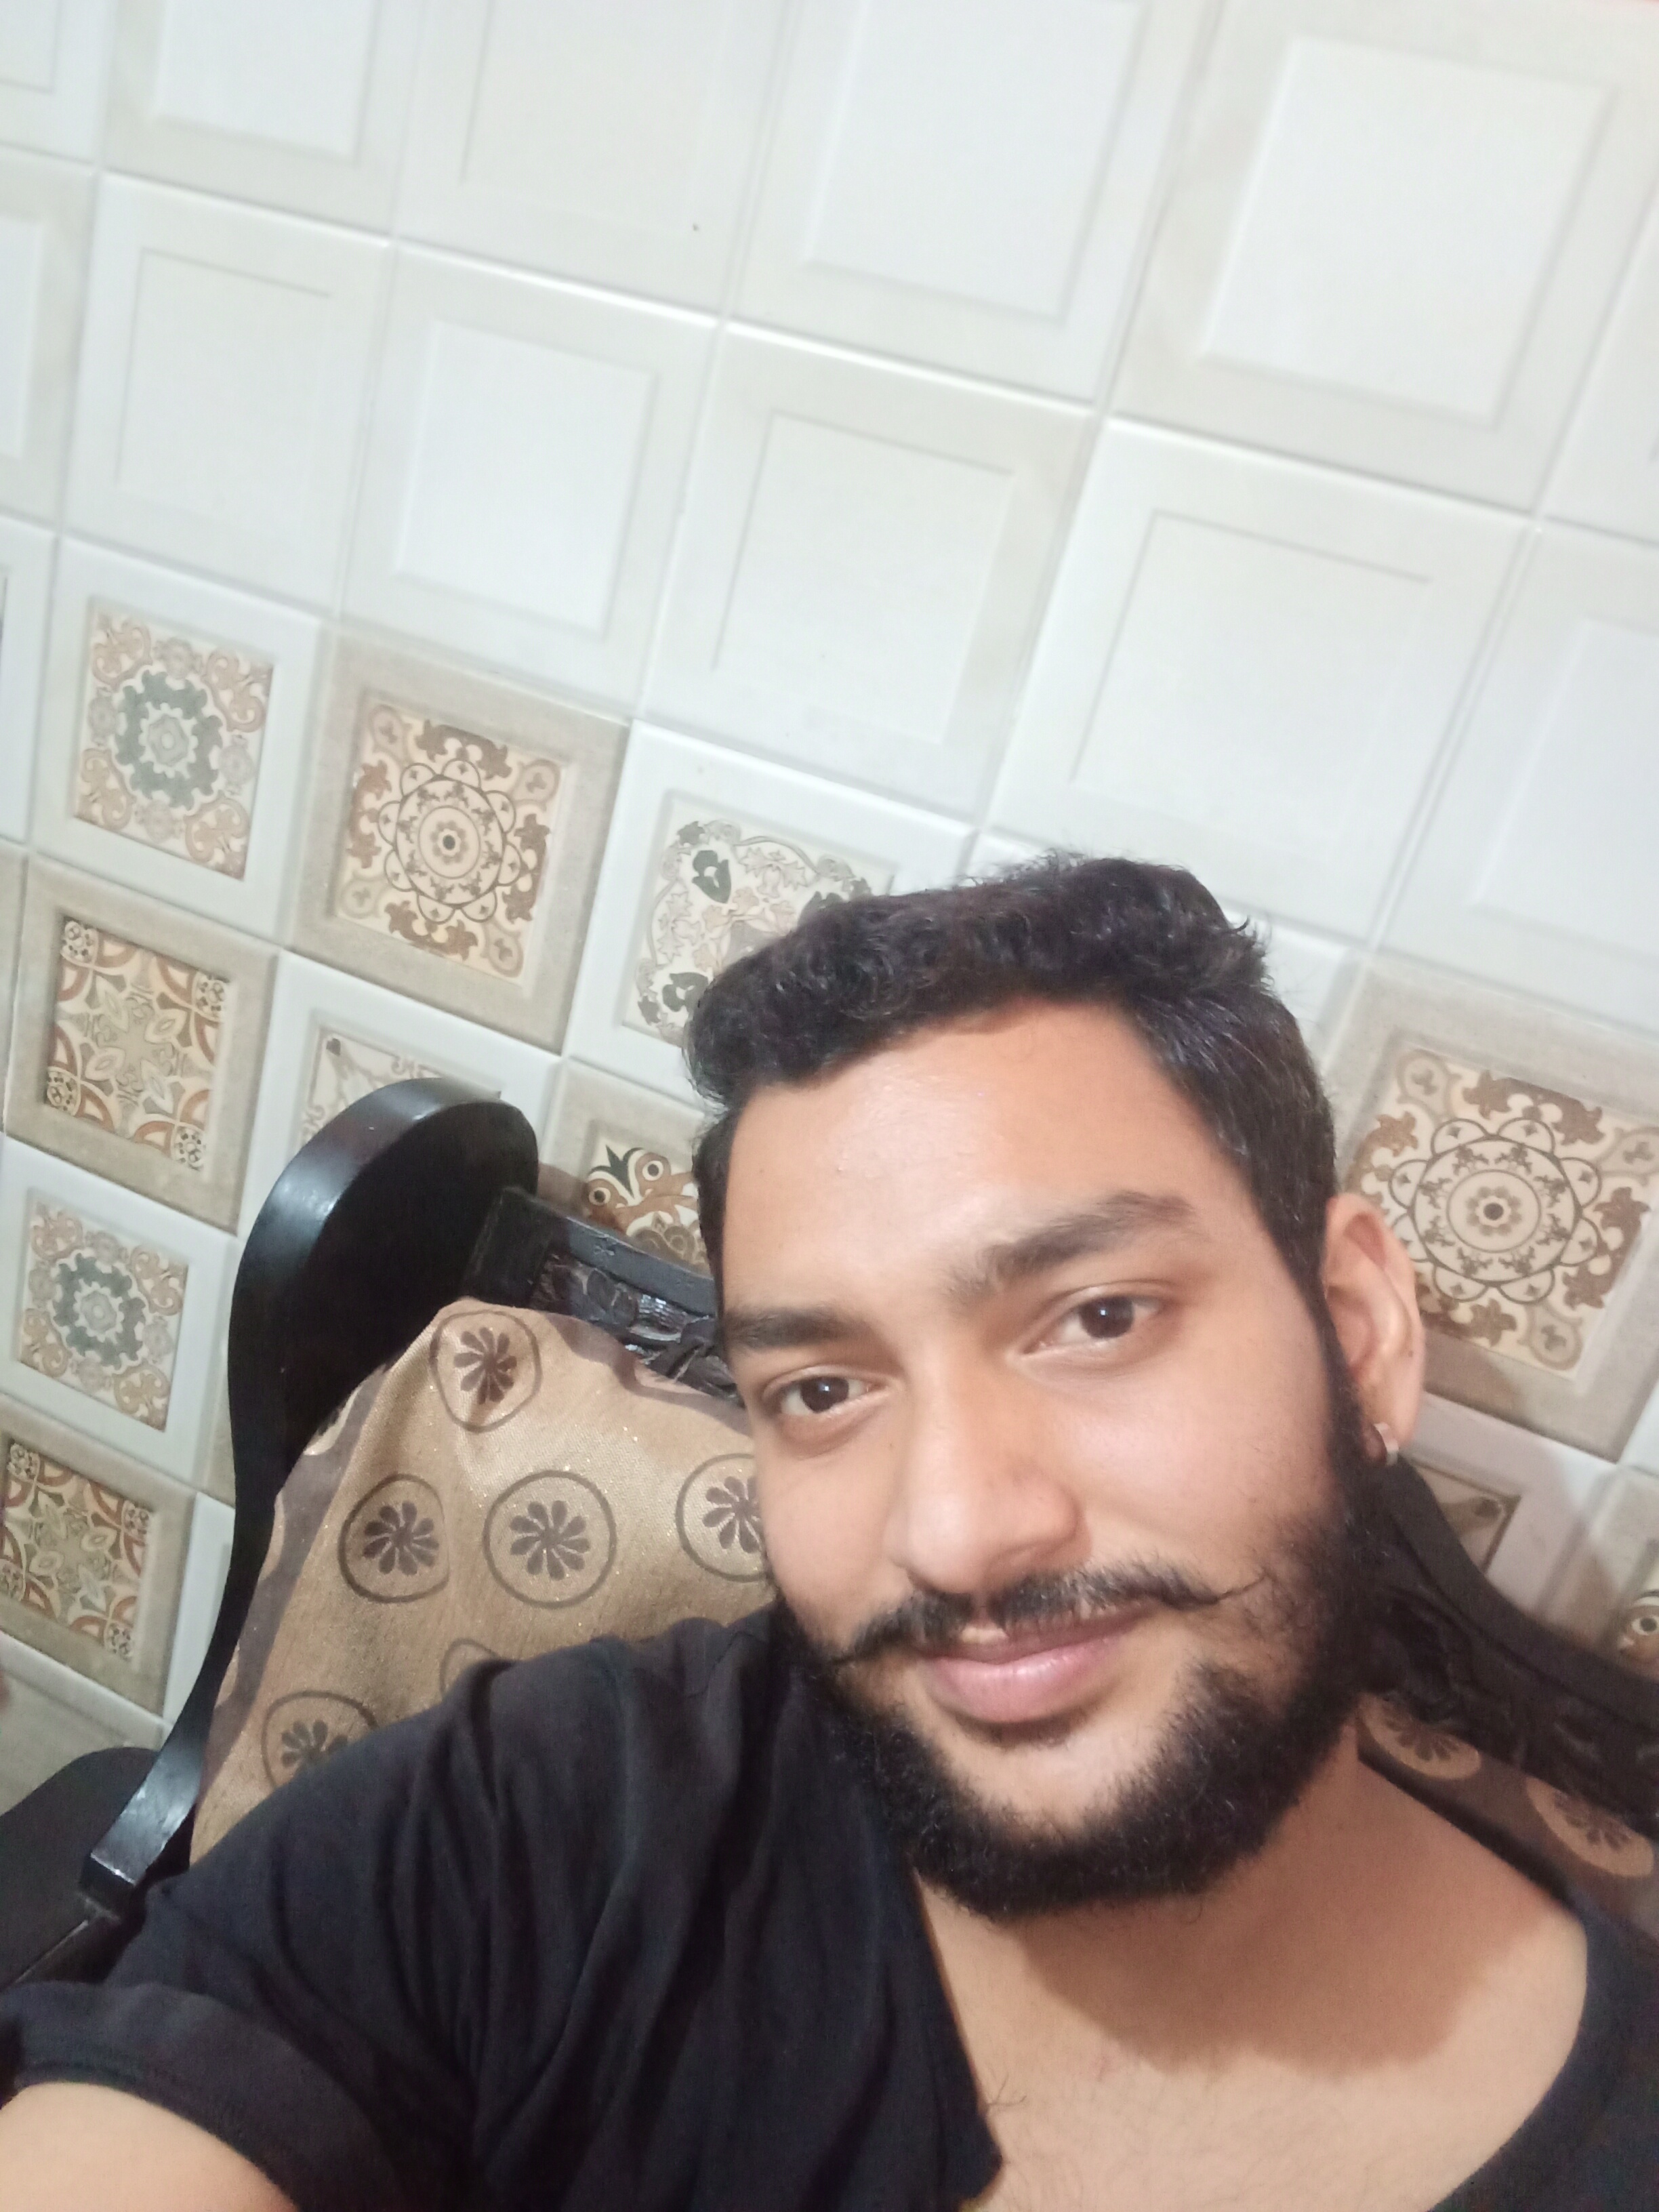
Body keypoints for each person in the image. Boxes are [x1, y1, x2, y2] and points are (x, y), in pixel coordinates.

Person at [1, 856, 1654, 2211]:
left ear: (1355, 1332)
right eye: (822, 1389)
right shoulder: (558, 1821)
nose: (958, 1533)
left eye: (1097, 1317)